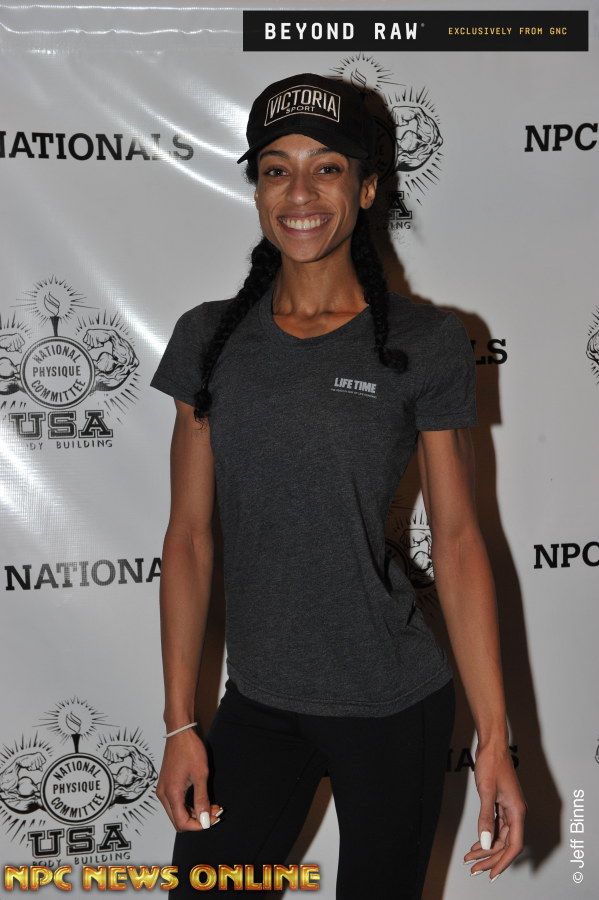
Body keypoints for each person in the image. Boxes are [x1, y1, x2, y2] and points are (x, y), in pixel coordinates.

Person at [150, 72, 526, 898]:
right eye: (275, 169)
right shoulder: (208, 339)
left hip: (394, 704)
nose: (299, 193)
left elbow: (458, 542)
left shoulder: (425, 342)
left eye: (325, 168)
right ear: (256, 189)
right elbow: (189, 538)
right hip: (259, 705)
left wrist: (494, 739)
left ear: (365, 188)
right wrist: (181, 722)